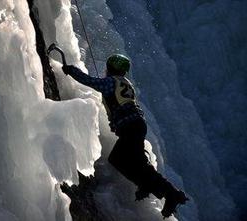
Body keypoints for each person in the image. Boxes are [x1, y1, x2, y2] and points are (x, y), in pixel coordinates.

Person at [62, 54, 188, 218]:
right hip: (137, 125)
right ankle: (155, 188)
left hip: (130, 127)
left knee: (118, 159)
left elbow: (91, 82)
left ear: (111, 68)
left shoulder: (111, 81)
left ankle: (170, 193)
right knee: (137, 162)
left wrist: (70, 70)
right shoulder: (126, 84)